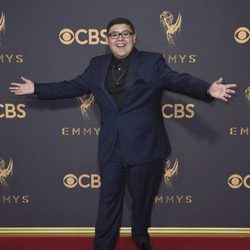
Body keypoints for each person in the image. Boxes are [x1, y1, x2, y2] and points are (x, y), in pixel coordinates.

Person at [10, 17, 236, 250]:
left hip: (145, 148)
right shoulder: (96, 64)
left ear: (134, 37)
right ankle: (103, 244)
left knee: (142, 201)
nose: (120, 39)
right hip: (111, 148)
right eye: (114, 34)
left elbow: (177, 80)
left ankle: (140, 235)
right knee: (108, 201)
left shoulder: (151, 62)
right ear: (107, 40)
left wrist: (206, 88)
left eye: (125, 33)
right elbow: (72, 85)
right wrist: (37, 88)